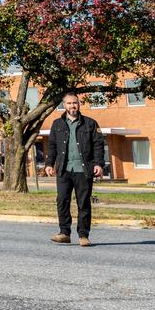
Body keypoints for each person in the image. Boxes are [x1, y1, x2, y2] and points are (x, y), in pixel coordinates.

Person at [42, 91, 105, 246]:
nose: (72, 106)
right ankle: (64, 233)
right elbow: (52, 146)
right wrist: (49, 164)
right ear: (64, 105)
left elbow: (98, 145)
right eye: (69, 103)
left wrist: (98, 164)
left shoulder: (90, 123)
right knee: (62, 200)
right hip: (64, 169)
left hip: (84, 170)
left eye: (75, 103)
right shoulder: (57, 124)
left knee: (83, 203)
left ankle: (83, 235)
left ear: (79, 104)